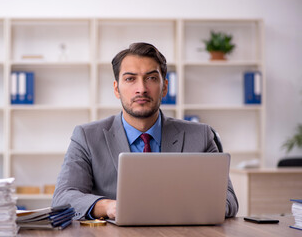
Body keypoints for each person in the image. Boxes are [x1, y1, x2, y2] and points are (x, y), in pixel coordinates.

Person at [52, 42, 239, 220]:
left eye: (151, 78)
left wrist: (179, 208)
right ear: (116, 89)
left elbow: (228, 199)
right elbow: (63, 197)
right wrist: (109, 207)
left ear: (165, 87)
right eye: (130, 79)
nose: (141, 89)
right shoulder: (86, 137)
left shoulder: (201, 136)